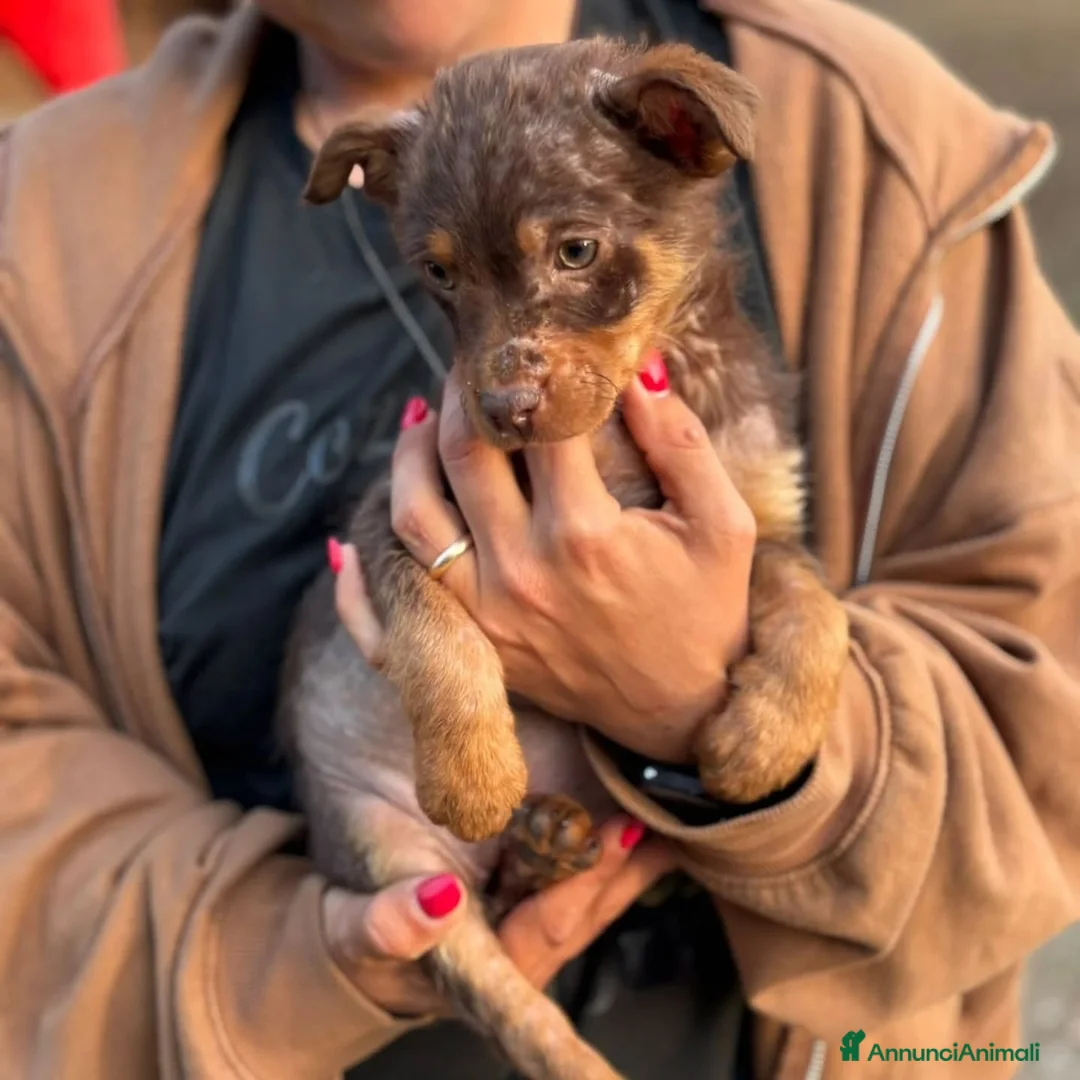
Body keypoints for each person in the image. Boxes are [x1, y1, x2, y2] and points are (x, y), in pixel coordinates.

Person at [0, 0, 1076, 1077]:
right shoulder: (45, 216)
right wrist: (261, 964)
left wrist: (705, 709)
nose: (506, 369)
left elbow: (1046, 705)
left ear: (686, 142)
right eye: (450, 281)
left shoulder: (860, 127)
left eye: (572, 251)